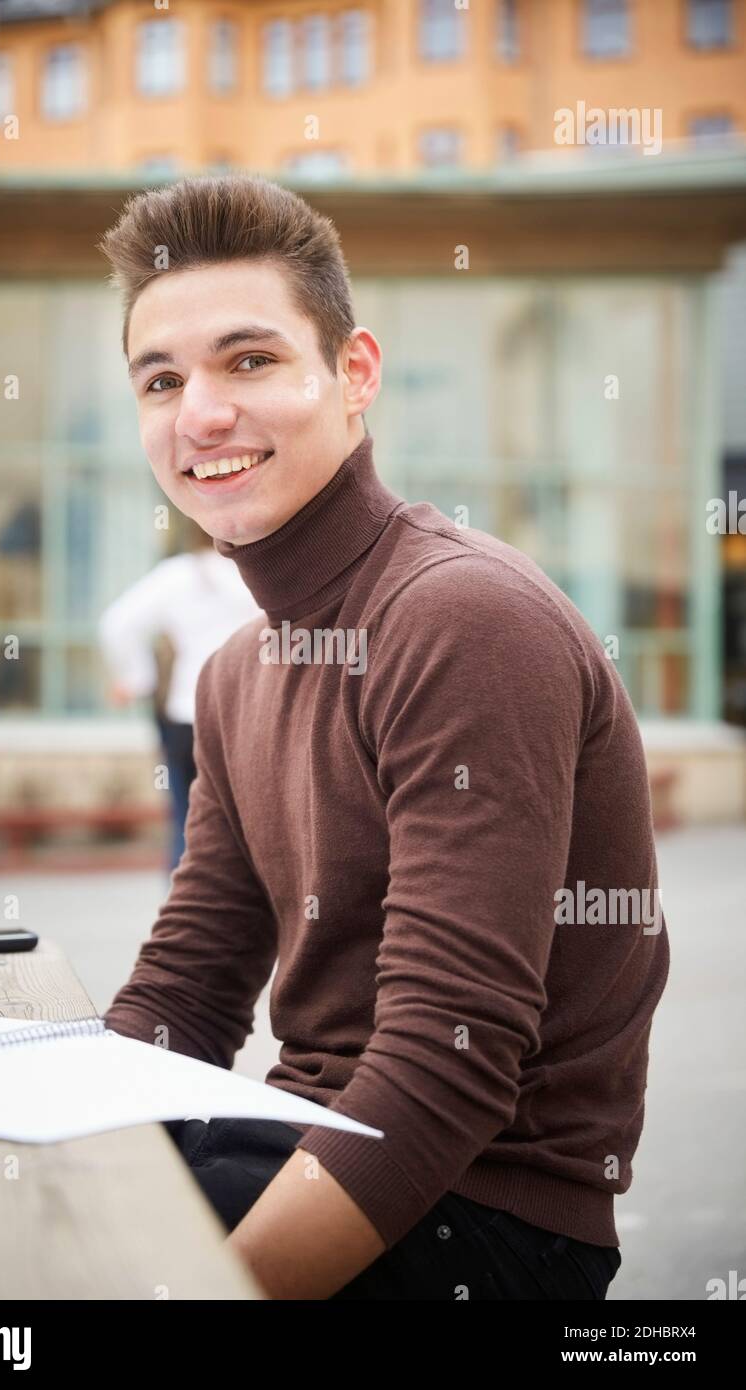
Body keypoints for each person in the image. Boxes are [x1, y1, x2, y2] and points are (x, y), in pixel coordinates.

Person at [96, 173, 670, 1300]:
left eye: (248, 360)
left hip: (484, 1217)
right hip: (306, 1141)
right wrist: (32, 1128)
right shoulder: (235, 673)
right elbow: (188, 990)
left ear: (352, 375)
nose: (199, 414)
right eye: (160, 380)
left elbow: (445, 1065)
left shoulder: (461, 618)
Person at [98, 518, 262, 872]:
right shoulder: (259, 573)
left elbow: (117, 624)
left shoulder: (178, 576)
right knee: (248, 825)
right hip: (246, 717)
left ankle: (186, 914)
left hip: (187, 714)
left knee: (188, 820)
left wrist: (136, 679)